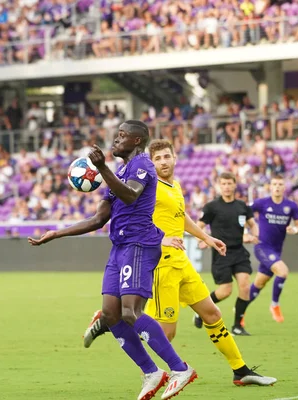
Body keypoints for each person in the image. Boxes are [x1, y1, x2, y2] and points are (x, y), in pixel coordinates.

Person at [82, 139, 277, 387]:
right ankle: (109, 322)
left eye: (167, 156)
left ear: (175, 158)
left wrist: (206, 236)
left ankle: (240, 370)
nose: (163, 162)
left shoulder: (174, 186)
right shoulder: (148, 187)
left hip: (182, 263)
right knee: (165, 332)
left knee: (212, 313)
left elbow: (180, 216)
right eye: (158, 158)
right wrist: (161, 240)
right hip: (161, 265)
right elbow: (133, 219)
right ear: (151, 163)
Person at [28, 121, 196, 400]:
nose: (115, 141)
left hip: (139, 245)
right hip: (119, 248)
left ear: (137, 140)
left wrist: (102, 167)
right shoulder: (119, 171)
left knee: (131, 312)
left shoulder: (143, 164)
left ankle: (181, 369)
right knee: (110, 314)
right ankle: (151, 372)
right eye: (116, 136)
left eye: (122, 136)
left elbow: (130, 196)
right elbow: (98, 218)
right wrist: (57, 233)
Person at [194, 172, 259, 336]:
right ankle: (201, 310)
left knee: (245, 287)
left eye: (229, 183)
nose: (227, 187)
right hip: (221, 254)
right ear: (219, 186)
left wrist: (254, 235)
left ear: (235, 185)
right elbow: (198, 225)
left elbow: (253, 224)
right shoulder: (212, 207)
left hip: (239, 252)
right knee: (225, 291)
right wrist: (201, 240)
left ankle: (237, 326)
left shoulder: (242, 206)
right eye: (223, 184)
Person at [246, 176, 298, 323]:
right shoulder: (262, 203)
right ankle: (274, 305)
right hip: (262, 246)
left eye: (280, 184)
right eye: (274, 184)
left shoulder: (291, 206)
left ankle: (240, 310)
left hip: (276, 250)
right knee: (283, 272)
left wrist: (295, 229)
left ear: (284, 187)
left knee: (259, 283)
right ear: (270, 187)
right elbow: (243, 212)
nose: (277, 187)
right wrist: (245, 231)